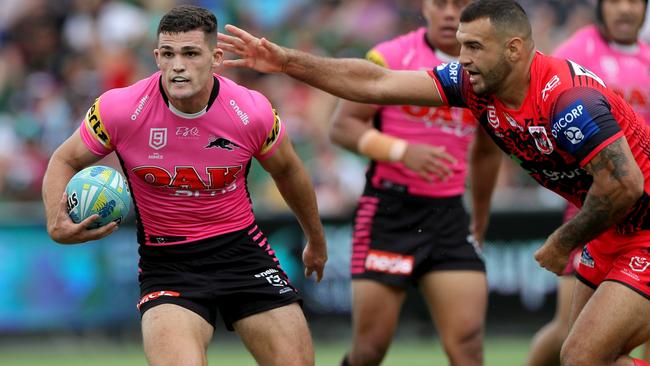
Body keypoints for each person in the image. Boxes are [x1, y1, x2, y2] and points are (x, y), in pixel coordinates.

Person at [218, 0, 650, 365]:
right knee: (583, 356)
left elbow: (625, 185)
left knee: (576, 357)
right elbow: (376, 82)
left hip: (641, 229)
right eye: (462, 46)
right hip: (609, 230)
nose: (461, 58)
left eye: (474, 47)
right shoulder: (476, 85)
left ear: (514, 49)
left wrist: (561, 240)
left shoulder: (568, 101)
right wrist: (286, 61)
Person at [42, 5, 327, 366]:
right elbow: (63, 159)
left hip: (242, 252)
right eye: (168, 54)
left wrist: (315, 239)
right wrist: (55, 219)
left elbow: (289, 171)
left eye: (191, 53)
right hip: (168, 262)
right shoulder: (119, 109)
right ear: (157, 57)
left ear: (215, 57)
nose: (178, 65)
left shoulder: (251, 112)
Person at [327, 1, 501, 365]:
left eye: (461, 5)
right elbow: (342, 126)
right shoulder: (388, 56)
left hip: (450, 216)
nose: (450, 13)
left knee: (468, 347)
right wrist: (401, 151)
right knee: (370, 349)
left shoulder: (489, 70)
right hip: (390, 213)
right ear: (426, 7)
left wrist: (480, 217)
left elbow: (487, 152)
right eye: (441, 3)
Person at [526, 0, 650, 364]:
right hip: (594, 214)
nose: (625, 10)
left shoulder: (648, 57)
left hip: (644, 213)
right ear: (599, 6)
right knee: (569, 335)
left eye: (634, 1)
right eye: (615, 1)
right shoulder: (577, 51)